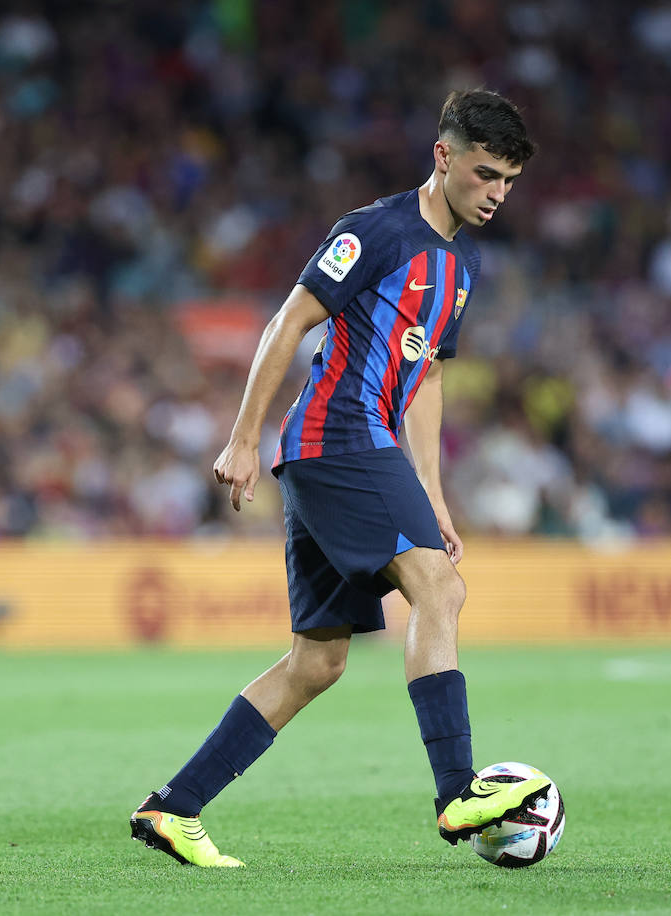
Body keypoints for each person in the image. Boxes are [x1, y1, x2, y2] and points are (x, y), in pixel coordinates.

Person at [130, 89, 549, 867]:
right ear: (443, 156)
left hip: (356, 448)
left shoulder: (462, 262)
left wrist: (433, 492)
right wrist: (243, 436)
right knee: (440, 588)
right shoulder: (375, 231)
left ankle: (173, 809)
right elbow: (289, 320)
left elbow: (424, 378)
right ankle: (458, 791)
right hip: (338, 437)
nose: (497, 194)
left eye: (510, 181)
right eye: (487, 174)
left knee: (318, 660)